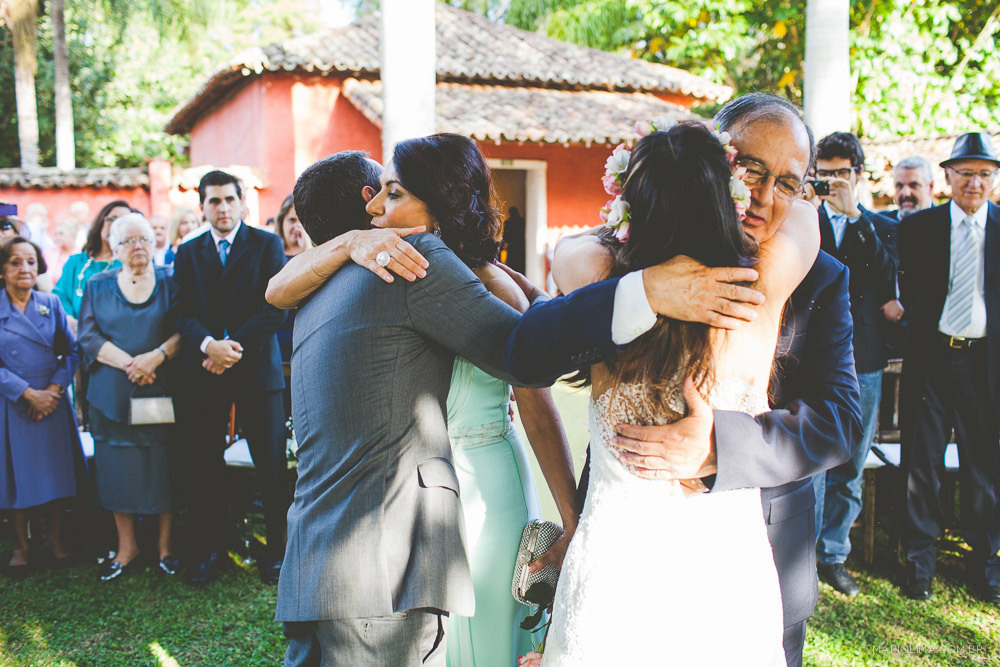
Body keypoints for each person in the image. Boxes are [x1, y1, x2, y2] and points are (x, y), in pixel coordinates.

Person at [507, 93, 861, 667]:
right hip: (622, 569)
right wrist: (645, 288)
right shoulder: (632, 275)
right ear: (715, 162)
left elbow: (840, 421)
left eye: (789, 183)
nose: (767, 198)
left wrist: (720, 444)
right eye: (750, 170)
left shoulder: (818, 278)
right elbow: (527, 351)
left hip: (750, 560)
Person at [267, 147, 579, 667]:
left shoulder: (311, 293)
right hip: (382, 569)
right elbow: (529, 356)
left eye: (396, 192)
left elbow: (275, 290)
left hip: (314, 560)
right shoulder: (414, 263)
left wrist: (519, 287)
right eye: (383, 192)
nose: (378, 210)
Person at [172, 170, 288, 587]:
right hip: (205, 372)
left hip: (255, 368)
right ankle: (208, 551)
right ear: (202, 206)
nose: (221, 208)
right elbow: (180, 311)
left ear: (242, 203)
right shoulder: (187, 253)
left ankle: (278, 552)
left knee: (272, 467)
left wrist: (230, 348)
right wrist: (208, 346)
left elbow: (275, 307)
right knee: (203, 465)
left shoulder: (266, 243)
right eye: (213, 201)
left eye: (228, 199)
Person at [898, 132, 1000, 604]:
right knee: (924, 464)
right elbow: (913, 291)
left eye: (984, 174)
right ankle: (920, 565)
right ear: (948, 177)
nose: (974, 183)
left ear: (993, 179)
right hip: (934, 360)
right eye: (965, 173)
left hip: (985, 365)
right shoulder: (920, 227)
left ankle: (986, 567)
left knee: (984, 468)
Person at [808, 132, 898, 596]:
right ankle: (802, 555)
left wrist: (854, 218)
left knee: (852, 462)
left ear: (858, 176)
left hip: (863, 360)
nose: (832, 182)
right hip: (809, 357)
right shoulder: (803, 218)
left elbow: (887, 280)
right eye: (824, 174)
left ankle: (835, 554)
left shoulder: (879, 226)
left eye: (841, 173)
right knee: (810, 461)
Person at [78, 213, 182, 581]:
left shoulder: (172, 280)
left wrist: (155, 357)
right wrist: (130, 364)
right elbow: (88, 337)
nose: (138, 247)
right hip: (113, 394)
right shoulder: (97, 285)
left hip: (161, 390)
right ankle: (127, 547)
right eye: (128, 241)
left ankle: (166, 547)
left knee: (163, 466)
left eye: (144, 240)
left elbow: (186, 327)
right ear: (115, 248)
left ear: (154, 244)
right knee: (116, 470)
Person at [0, 236, 86, 577]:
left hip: (51, 402)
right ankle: (21, 545)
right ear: (3, 269)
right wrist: (25, 393)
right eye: (16, 262)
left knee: (55, 475)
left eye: (31, 262)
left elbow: (72, 351)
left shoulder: (50, 303)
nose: (25, 269)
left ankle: (55, 540)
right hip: (12, 403)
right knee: (16, 476)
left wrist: (52, 391)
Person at [53, 200, 133, 329]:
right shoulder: (76, 261)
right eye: (111, 219)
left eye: (123, 222)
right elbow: (60, 295)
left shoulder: (130, 265)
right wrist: (68, 319)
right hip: (72, 334)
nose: (115, 226)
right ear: (101, 222)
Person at [887, 155, 935, 221]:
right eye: (900, 186)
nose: (906, 193)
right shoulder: (880, 225)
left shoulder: (946, 222)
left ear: (930, 187)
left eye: (913, 185)